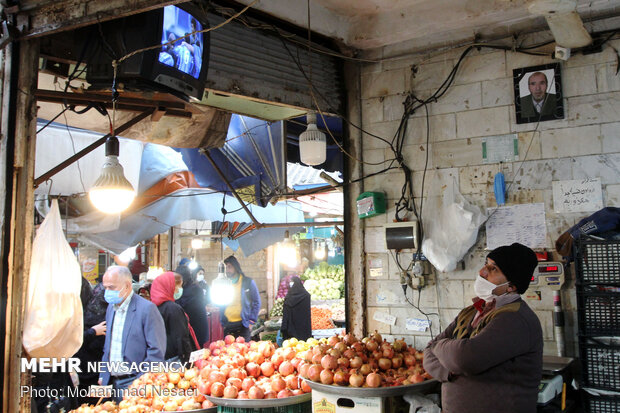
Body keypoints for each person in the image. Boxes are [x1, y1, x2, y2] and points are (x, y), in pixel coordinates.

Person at [423, 243, 543, 413]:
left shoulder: (515, 318)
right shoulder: (471, 312)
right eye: (485, 264)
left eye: (493, 269)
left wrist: (439, 348)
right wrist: (450, 371)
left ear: (511, 286)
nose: (481, 272)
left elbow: (464, 357)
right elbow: (427, 353)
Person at [99, 266, 166, 394]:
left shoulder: (147, 309)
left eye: (111, 287)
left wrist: (141, 381)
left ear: (127, 286)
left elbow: (156, 351)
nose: (107, 292)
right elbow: (108, 346)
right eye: (105, 287)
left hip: (135, 382)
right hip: (112, 381)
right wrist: (103, 374)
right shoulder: (111, 308)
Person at [150, 271, 196, 362]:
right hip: (174, 358)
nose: (180, 289)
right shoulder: (173, 309)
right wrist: (187, 359)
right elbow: (181, 337)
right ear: (169, 287)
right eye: (178, 286)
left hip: (162, 356)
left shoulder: (153, 307)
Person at [219, 256, 261, 341]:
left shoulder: (248, 282)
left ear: (236, 267)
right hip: (228, 324)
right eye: (226, 267)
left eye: (230, 267)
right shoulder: (223, 283)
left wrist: (251, 321)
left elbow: (257, 302)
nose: (227, 270)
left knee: (244, 350)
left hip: (243, 324)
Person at [175, 265, 209, 347]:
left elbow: (184, 309)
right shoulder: (194, 288)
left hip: (195, 331)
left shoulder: (191, 291)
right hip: (197, 331)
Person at [280, 276, 311, 341]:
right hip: (304, 331)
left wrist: (284, 328)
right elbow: (307, 316)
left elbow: (285, 315)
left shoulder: (288, 297)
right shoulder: (306, 296)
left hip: (290, 332)